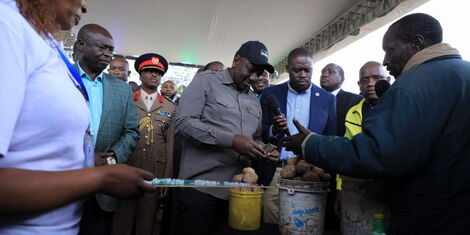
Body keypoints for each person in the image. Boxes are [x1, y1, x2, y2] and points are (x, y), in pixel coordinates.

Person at [282, 13, 470, 234]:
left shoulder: (410, 86)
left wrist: (310, 144)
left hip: (428, 217)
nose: (385, 61)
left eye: (389, 50)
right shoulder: (463, 74)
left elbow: (379, 154)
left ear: (416, 43)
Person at [0, 0, 153, 234]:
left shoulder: (46, 43)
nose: (84, 5)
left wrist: (103, 163)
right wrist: (99, 178)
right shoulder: (7, 27)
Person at [173, 41, 279, 234]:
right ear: (236, 60)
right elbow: (183, 123)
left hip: (237, 193)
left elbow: (255, 138)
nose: (254, 78)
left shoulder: (254, 101)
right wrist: (231, 140)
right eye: (251, 69)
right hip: (200, 190)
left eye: (260, 73)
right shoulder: (205, 82)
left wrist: (264, 150)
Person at [254, 47, 336, 226]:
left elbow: (330, 138)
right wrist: (273, 130)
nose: (302, 75)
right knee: (270, 223)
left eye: (307, 70)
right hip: (275, 170)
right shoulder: (270, 94)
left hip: (309, 173)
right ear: (288, 69)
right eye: (297, 70)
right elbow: (258, 131)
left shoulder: (327, 99)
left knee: (305, 224)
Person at [74, 23, 140, 235]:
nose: (108, 54)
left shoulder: (121, 89)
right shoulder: (60, 78)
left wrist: (112, 157)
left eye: (111, 50)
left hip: (104, 188)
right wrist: (82, 158)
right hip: (64, 180)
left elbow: (132, 130)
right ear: (81, 45)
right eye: (102, 48)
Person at [113, 53, 175, 235]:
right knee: (122, 220)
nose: (153, 75)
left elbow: (170, 144)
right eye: (148, 71)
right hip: (128, 166)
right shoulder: (127, 99)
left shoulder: (170, 107)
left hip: (155, 171)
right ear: (139, 74)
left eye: (157, 72)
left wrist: (167, 177)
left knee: (147, 222)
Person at [320, 63, 362, 137]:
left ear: (341, 80)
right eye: (323, 72)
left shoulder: (355, 100)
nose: (324, 75)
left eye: (330, 72)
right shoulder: (314, 99)